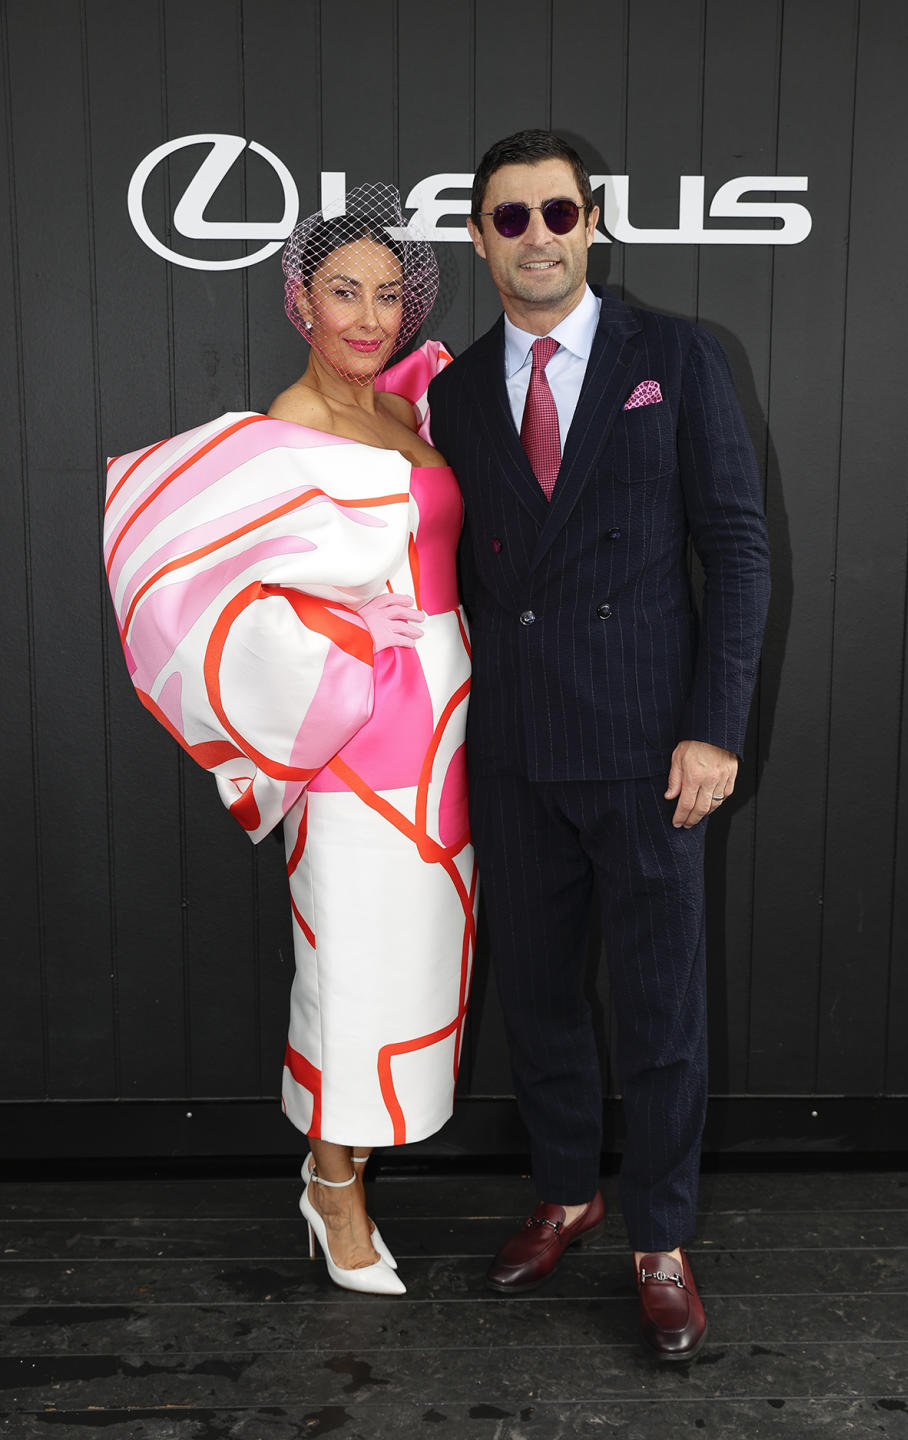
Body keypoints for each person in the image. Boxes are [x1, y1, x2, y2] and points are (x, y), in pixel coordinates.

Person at [428, 131, 770, 1359]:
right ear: (479, 239)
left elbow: (734, 548)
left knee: (662, 1005)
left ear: (592, 223)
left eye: (556, 212)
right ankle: (567, 1190)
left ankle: (662, 1237)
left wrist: (712, 731)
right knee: (539, 994)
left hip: (646, 753)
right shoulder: (458, 390)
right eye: (509, 220)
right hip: (514, 751)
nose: (536, 237)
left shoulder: (675, 358)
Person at [104, 184, 475, 1297]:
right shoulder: (291, 427)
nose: (368, 316)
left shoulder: (405, 411)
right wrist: (338, 627)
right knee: (351, 955)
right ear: (298, 299)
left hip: (449, 722)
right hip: (360, 731)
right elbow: (187, 583)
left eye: (386, 293)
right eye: (341, 291)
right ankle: (332, 1186)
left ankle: (351, 1158)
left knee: (422, 949)